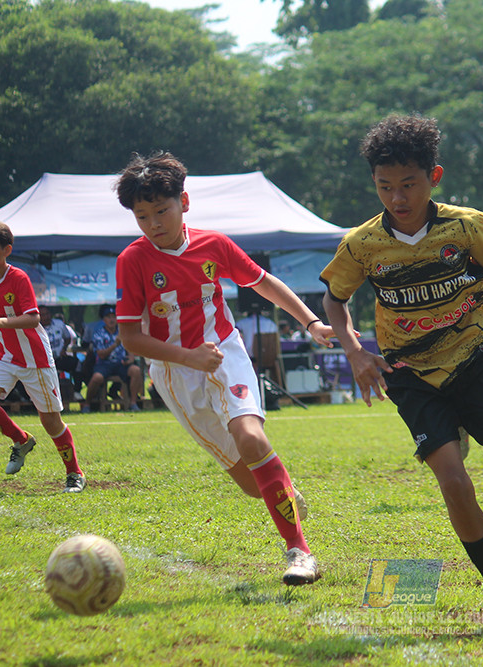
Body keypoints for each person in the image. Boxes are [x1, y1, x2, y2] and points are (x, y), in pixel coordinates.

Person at [320, 114, 483, 629]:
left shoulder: (467, 227)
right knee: (454, 483)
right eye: (385, 187)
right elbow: (334, 300)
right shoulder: (362, 244)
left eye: (408, 185)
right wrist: (353, 350)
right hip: (411, 375)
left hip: (476, 364)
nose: (397, 197)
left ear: (433, 177)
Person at [113, 151, 333, 586]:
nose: (154, 223)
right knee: (254, 486)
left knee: (251, 438)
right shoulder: (132, 261)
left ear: (184, 202)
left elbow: (263, 282)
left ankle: (300, 552)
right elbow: (131, 339)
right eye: (143, 216)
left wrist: (311, 322)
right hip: (176, 373)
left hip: (225, 353)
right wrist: (189, 357)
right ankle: (282, 490)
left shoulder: (215, 245)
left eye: (162, 210)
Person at [0, 221, 85, 492]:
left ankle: (74, 473)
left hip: (35, 358)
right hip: (4, 355)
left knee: (50, 421)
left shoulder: (18, 278)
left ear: (7, 250)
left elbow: (32, 319)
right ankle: (21, 440)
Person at [82, 304, 143, 412]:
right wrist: (115, 344)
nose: (111, 319)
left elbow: (129, 346)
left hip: (120, 363)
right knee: (97, 378)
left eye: (114, 317)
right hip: (104, 364)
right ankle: (87, 404)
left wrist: (131, 357)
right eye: (108, 317)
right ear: (104, 319)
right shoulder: (98, 334)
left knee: (136, 370)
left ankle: (133, 403)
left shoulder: (122, 332)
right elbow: (101, 354)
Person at [39, 305, 80, 396]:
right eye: (42, 315)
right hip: (42, 362)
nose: (46, 317)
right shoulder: (34, 328)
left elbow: (67, 338)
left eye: (47, 314)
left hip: (59, 357)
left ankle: (77, 391)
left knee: (77, 364)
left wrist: (64, 348)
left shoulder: (59, 324)